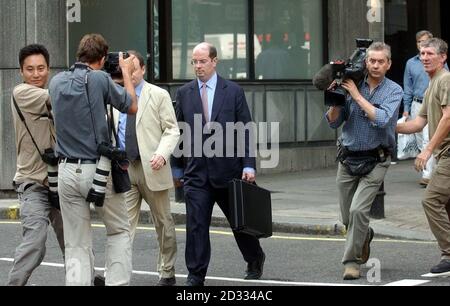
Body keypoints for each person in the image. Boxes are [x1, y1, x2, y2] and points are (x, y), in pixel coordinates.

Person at [172, 42, 265, 286]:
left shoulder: (233, 91)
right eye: (194, 61)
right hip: (196, 175)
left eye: (202, 61)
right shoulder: (184, 93)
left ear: (214, 61)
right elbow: (177, 132)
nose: (198, 66)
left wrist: (248, 165)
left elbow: (245, 129)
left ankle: (255, 257)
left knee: (239, 224)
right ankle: (196, 275)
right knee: (196, 227)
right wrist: (177, 168)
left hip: (229, 172)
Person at [49, 33, 138, 286]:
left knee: (75, 242)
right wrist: (126, 73)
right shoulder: (99, 78)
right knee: (119, 231)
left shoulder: (56, 82)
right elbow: (132, 106)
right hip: (98, 170)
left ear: (79, 55)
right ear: (101, 58)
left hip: (65, 170)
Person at [326, 42, 403, 280]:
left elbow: (381, 119)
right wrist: (335, 99)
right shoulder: (350, 84)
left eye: (381, 61)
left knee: (359, 210)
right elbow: (333, 122)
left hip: (376, 159)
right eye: (372, 61)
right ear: (365, 62)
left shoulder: (393, 90)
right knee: (348, 218)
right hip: (347, 158)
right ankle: (364, 234)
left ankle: (352, 262)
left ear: (389, 64)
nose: (376, 65)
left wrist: (356, 96)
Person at [116, 50, 180, 286]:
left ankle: (167, 271)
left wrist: (162, 155)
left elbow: (172, 129)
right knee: (122, 225)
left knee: (163, 223)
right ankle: (118, 274)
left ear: (142, 69)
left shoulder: (158, 95)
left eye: (133, 70)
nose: (129, 75)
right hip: (124, 167)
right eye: (125, 70)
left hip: (152, 167)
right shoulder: (116, 93)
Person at [6, 44, 65, 286]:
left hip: (61, 182)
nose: (36, 74)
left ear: (48, 69)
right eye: (30, 69)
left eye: (41, 68)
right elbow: (59, 99)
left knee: (75, 244)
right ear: (21, 72)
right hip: (33, 184)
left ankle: (88, 278)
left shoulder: (51, 91)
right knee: (35, 244)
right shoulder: (22, 92)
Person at [396, 38, 450, 276]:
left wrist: (427, 150)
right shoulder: (431, 85)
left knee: (431, 200)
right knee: (446, 205)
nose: (424, 58)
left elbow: (448, 117)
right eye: (421, 54)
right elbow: (418, 123)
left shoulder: (445, 80)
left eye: (429, 53)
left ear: (443, 57)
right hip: (444, 154)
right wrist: (388, 126)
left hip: (448, 154)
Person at [402, 30, 435, 187]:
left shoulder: (437, 60)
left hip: (433, 103)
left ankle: (427, 175)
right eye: (419, 42)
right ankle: (430, 171)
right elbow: (407, 87)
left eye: (425, 41)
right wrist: (406, 108)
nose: (422, 44)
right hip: (417, 103)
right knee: (420, 138)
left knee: (429, 137)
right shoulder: (411, 63)